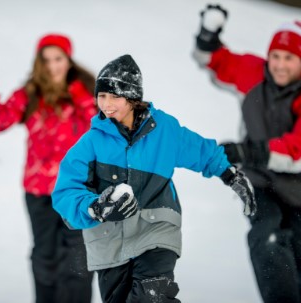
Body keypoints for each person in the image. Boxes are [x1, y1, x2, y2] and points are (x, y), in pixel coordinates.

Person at [51, 54, 257, 303]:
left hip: (156, 228)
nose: (106, 104)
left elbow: (201, 150)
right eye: (102, 96)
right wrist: (96, 208)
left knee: (153, 297)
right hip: (108, 242)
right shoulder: (91, 143)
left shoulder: (164, 130)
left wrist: (230, 174)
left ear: (132, 97)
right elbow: (65, 191)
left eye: (114, 96)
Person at [193, 4, 301, 302]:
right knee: (267, 237)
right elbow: (213, 61)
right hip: (262, 183)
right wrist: (209, 34)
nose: (280, 65)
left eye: (289, 58)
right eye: (276, 56)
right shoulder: (253, 74)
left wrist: (245, 151)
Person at [0, 33, 96, 303]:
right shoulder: (30, 93)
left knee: (79, 256)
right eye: (46, 59)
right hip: (38, 190)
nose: (52, 66)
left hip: (78, 190)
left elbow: (103, 123)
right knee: (45, 255)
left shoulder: (86, 91)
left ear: (68, 61)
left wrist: (76, 92)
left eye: (58, 59)